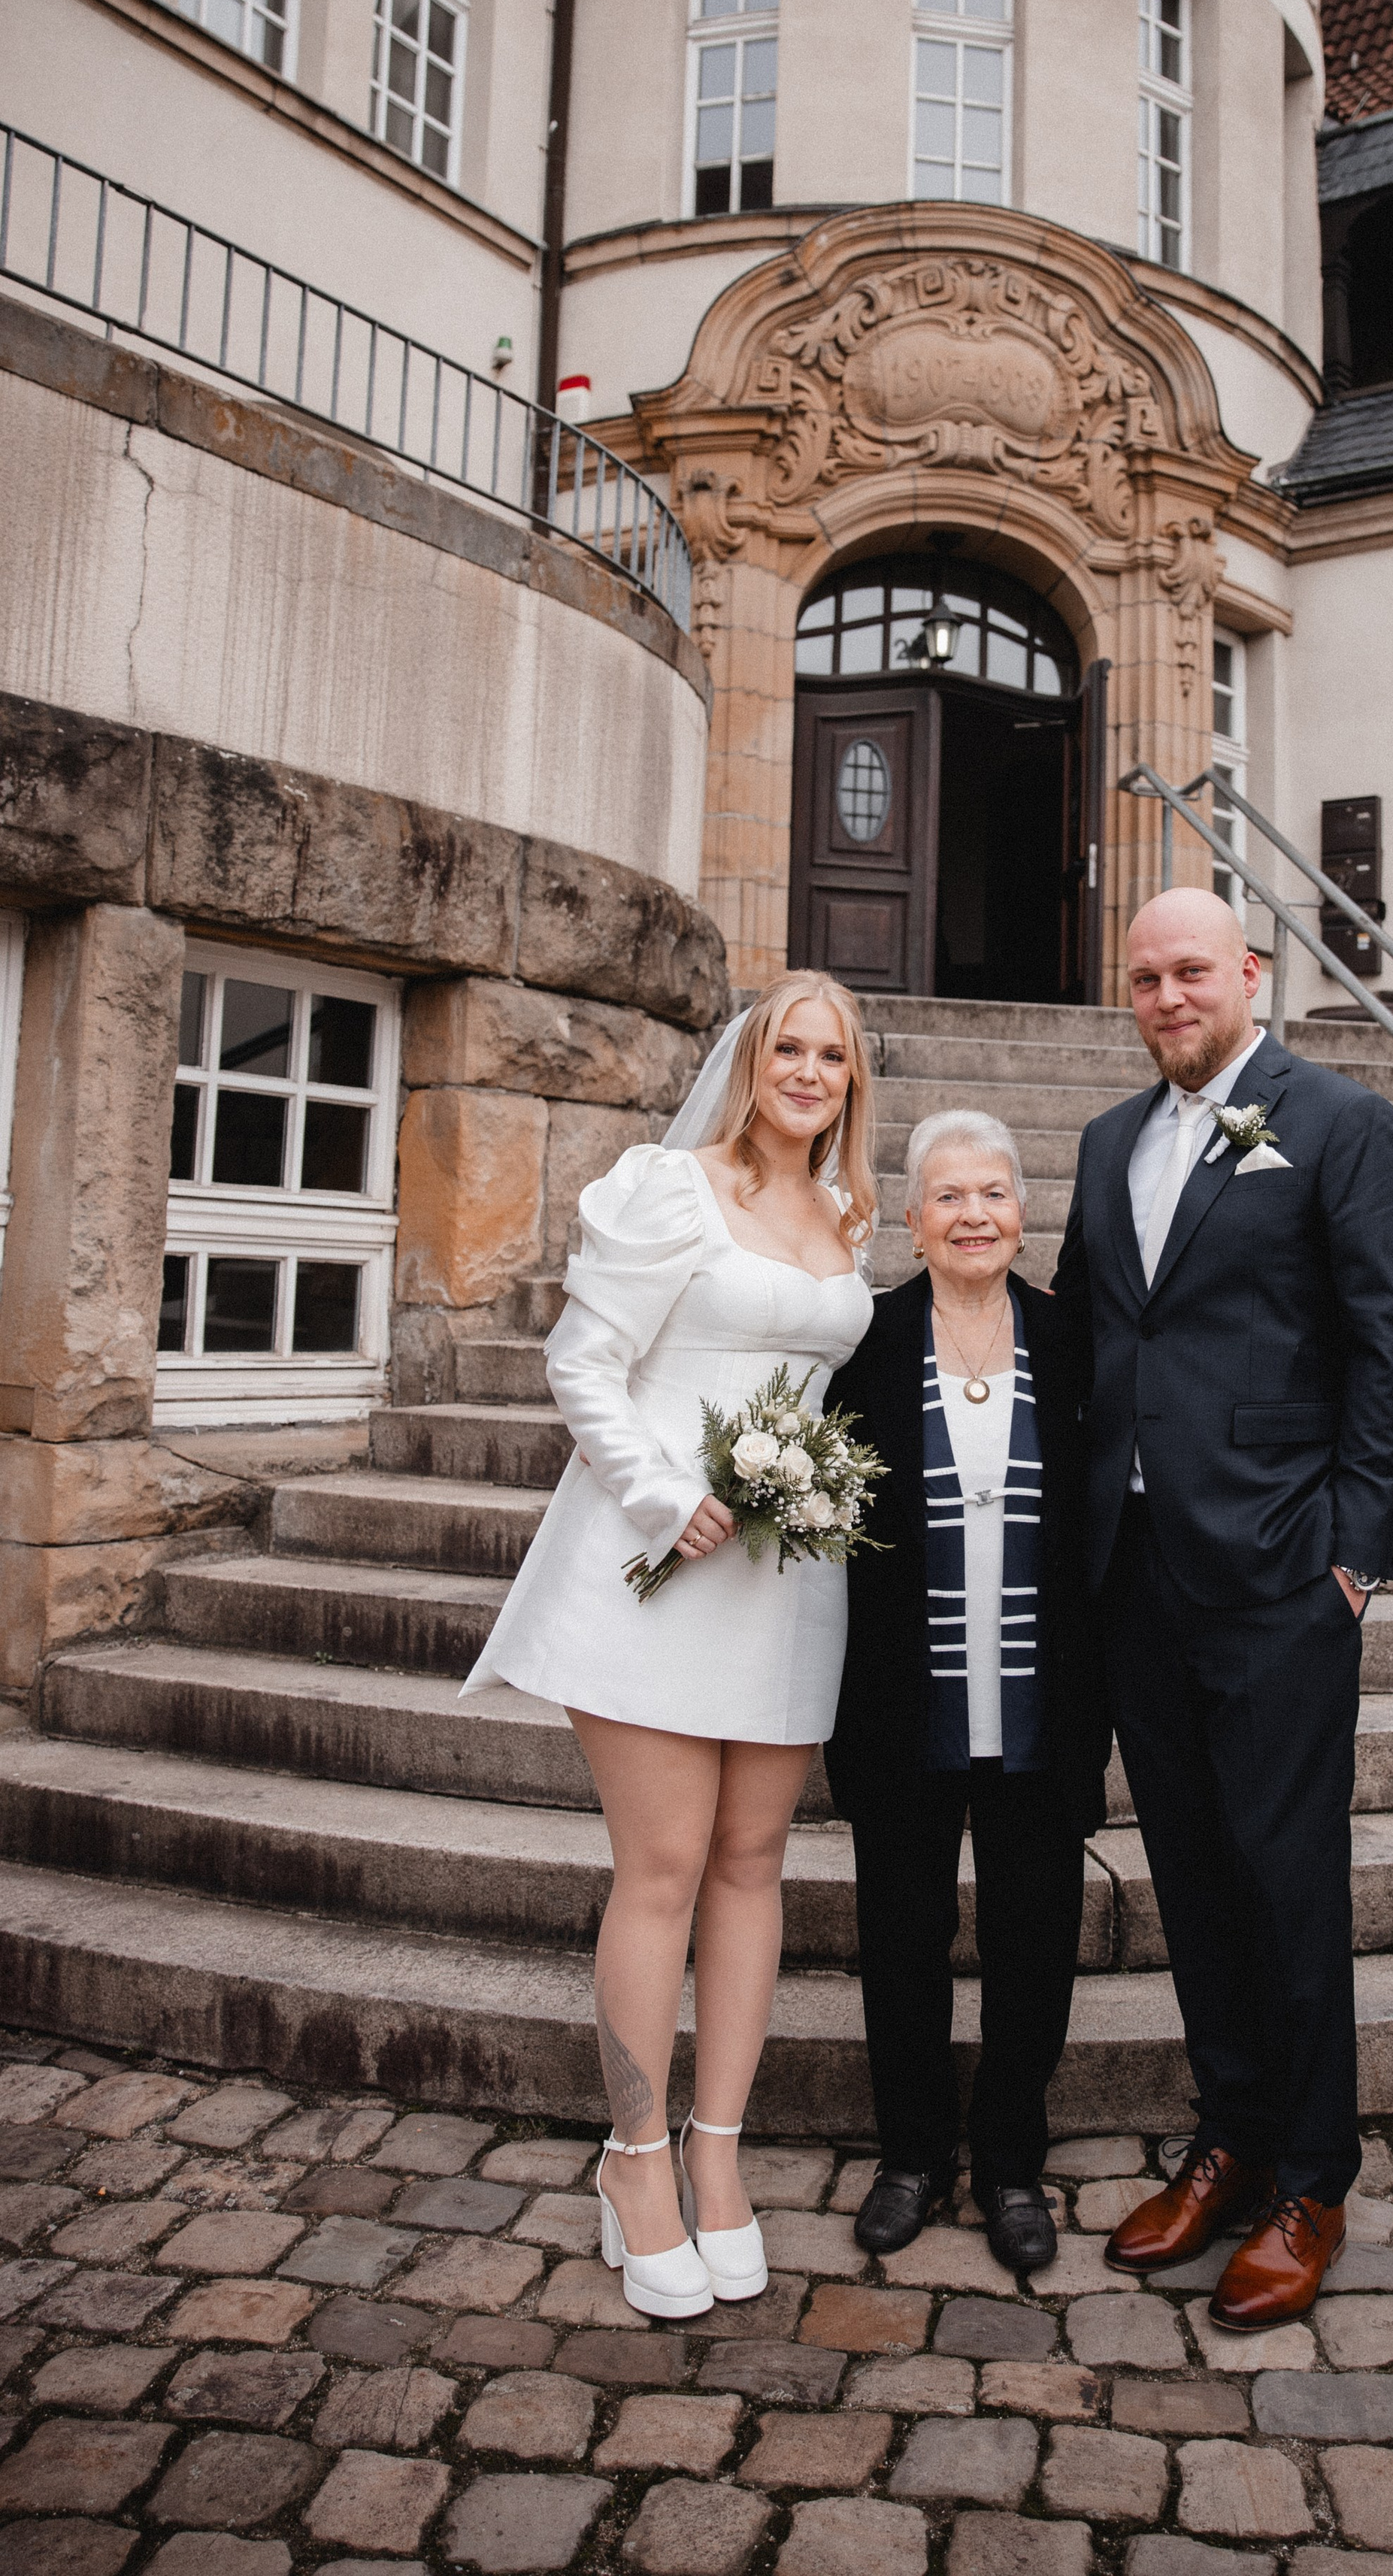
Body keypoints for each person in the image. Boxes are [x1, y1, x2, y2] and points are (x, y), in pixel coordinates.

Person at [462, 973, 877, 2320]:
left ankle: (718, 2156)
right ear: (750, 1059)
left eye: (832, 1055)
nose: (807, 1071)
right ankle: (632, 2161)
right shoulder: (667, 1186)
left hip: (787, 1579)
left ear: (853, 1081)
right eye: (788, 1048)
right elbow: (584, 1364)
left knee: (754, 1867)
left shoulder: (848, 1214)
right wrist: (664, 1496)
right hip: (654, 1565)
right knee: (663, 1868)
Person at [1054, 888, 1393, 2326]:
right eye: (1143, 978)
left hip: (1281, 1574)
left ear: (1251, 975)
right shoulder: (1106, 1143)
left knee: (1286, 1881)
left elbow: (1392, 1353)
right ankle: (1227, 2140)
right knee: (1196, 1882)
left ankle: (1311, 2183)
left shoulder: (1338, 1123)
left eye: (1189, 971)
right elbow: (1092, 1339)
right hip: (1136, 1579)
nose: (1165, 996)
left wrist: (1356, 1555)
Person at [824, 1109, 1110, 2276]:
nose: (975, 1214)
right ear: (911, 1219)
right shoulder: (865, 1344)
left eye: (993, 1193)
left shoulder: (1076, 1341)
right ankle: (911, 2155)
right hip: (903, 1704)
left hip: (1044, 1706)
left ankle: (1008, 2163)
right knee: (902, 1937)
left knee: (1036, 1941)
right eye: (949, 1196)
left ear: (1023, 1212)